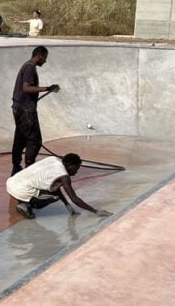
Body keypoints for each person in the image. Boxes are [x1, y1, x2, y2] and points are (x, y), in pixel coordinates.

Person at [7, 152, 113, 219]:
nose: (76, 172)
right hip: (20, 190)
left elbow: (55, 185)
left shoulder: (53, 159)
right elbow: (74, 198)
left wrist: (67, 205)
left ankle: (24, 201)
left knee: (53, 189)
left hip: (12, 183)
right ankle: (27, 205)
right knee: (55, 197)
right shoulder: (64, 176)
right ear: (70, 165)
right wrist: (96, 211)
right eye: (76, 169)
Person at [11, 45, 59, 175]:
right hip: (26, 111)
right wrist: (48, 88)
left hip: (19, 108)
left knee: (20, 138)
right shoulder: (30, 67)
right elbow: (26, 88)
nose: (45, 61)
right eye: (45, 58)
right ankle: (29, 168)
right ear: (40, 56)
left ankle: (16, 167)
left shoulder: (27, 65)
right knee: (34, 140)